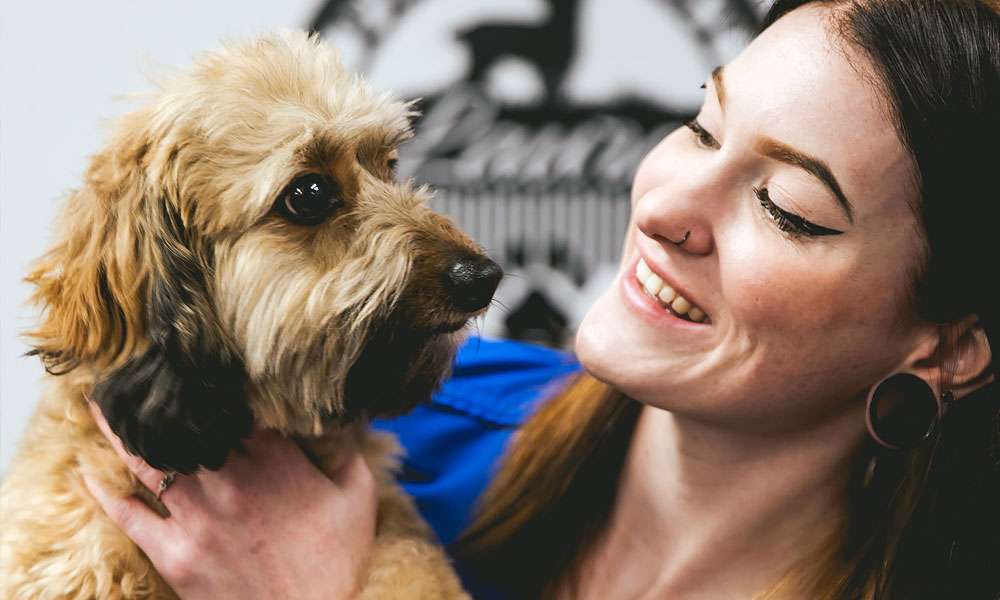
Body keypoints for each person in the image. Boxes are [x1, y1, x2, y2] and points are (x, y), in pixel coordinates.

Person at [84, 0, 1000, 597]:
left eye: (788, 209)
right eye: (700, 127)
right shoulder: (392, 420)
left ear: (949, 346)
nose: (664, 208)